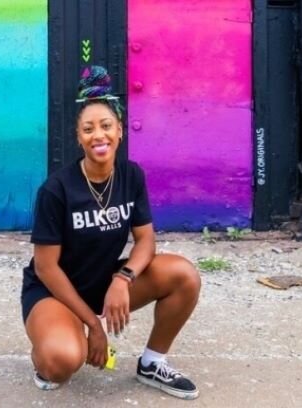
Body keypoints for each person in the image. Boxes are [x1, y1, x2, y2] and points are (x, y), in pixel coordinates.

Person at [21, 65, 202, 400]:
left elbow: (145, 240)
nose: (98, 135)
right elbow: (46, 268)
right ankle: (50, 343)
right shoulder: (56, 190)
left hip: (103, 283)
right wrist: (93, 325)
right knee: (61, 362)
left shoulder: (131, 176)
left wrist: (123, 279)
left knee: (183, 275)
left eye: (106, 126)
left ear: (120, 130)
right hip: (53, 292)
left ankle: (152, 362)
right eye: (88, 129)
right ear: (78, 137)